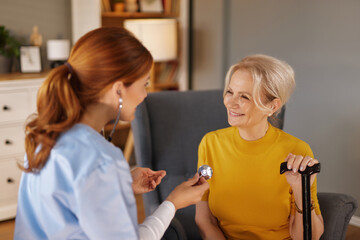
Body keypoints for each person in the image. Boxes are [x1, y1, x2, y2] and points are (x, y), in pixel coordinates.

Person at [14, 27, 209, 240]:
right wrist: (172, 203)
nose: (145, 95)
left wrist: (121, 181)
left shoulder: (45, 135)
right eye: (144, 84)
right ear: (118, 89)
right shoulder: (102, 161)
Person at [195, 54, 324, 239]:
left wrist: (300, 190)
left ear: (272, 106)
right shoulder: (210, 144)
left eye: (245, 97)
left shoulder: (297, 151)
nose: (230, 103)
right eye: (230, 92)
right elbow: (204, 219)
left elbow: (309, 236)